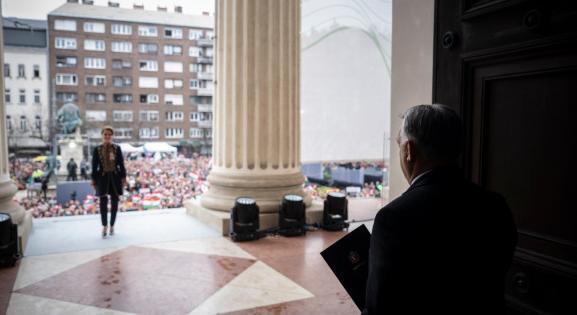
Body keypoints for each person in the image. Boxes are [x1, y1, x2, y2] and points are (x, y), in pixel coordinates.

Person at [363, 104, 517, 315]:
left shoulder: (394, 218)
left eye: (399, 144)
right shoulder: (495, 205)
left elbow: (380, 307)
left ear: (409, 150)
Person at [91, 126, 127, 238]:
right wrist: (93, 179)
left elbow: (121, 164)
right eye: (105, 134)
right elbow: (94, 165)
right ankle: (104, 225)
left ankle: (112, 225)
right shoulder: (97, 149)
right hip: (102, 177)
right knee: (103, 203)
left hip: (115, 177)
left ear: (112, 136)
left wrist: (123, 177)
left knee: (115, 202)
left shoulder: (117, 148)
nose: (107, 136)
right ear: (102, 136)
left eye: (109, 135)